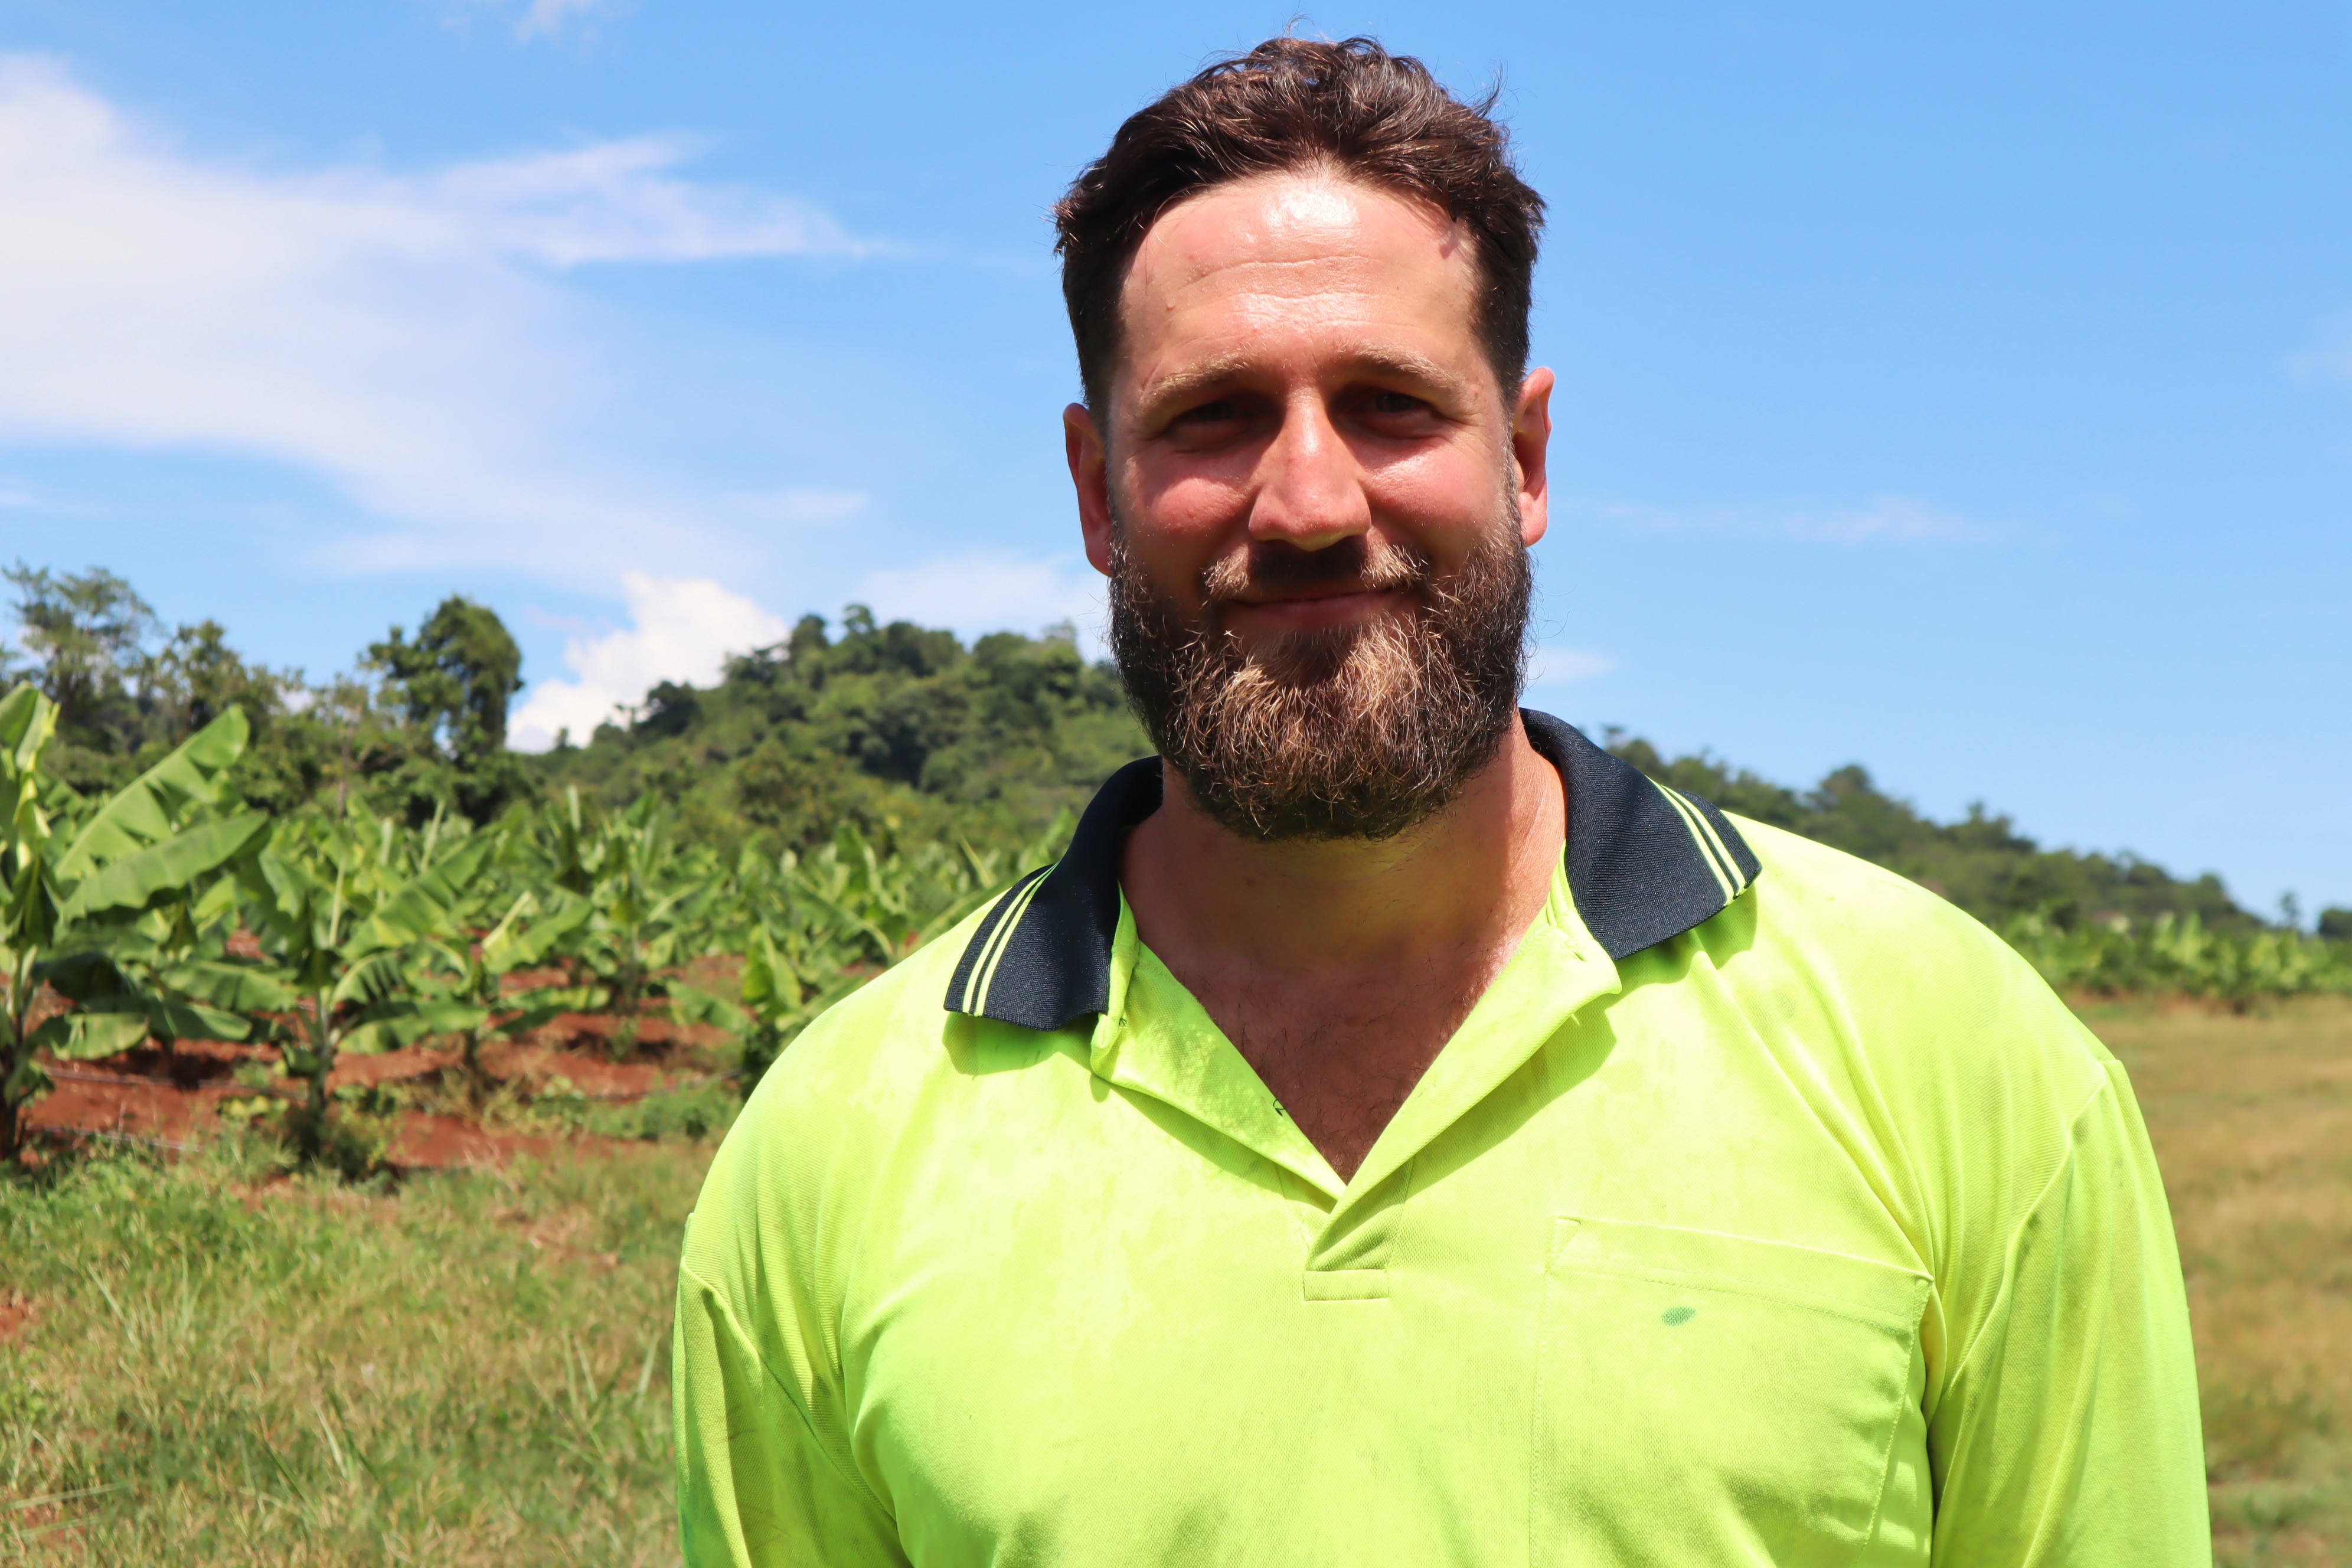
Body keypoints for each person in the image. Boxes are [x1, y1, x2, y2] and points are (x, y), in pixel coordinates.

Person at [674, 37, 2209, 1566]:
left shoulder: (1955, 1061)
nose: (1311, 501)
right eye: (1212, 417)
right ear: (1095, 492)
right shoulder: (831, 1156)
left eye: (1390, 404)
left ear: (1526, 457)